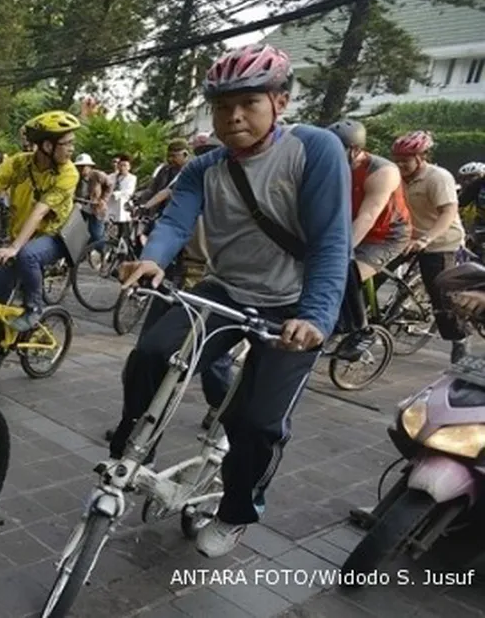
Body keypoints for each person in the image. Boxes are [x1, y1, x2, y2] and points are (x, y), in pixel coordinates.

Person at [115, 43, 351, 558]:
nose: (234, 116)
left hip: (293, 307)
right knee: (152, 354)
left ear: (280, 102)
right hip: (225, 291)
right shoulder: (204, 167)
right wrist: (153, 259)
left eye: (249, 102)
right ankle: (129, 455)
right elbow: (176, 221)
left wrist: (315, 316)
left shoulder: (314, 149)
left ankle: (237, 511)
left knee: (258, 424)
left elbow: (332, 239)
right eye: (223, 106)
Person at [0, 111, 81, 330]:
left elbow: (39, 212)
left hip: (55, 236)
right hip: (21, 236)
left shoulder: (68, 173)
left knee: (27, 255)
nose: (71, 149)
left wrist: (14, 247)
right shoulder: (18, 163)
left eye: (72, 143)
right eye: (67, 143)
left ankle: (34, 308)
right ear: (47, 146)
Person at [393, 131, 470, 363]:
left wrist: (426, 240)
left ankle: (459, 339)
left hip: (442, 242)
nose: (400, 165)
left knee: (441, 296)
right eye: (397, 159)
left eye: (405, 160)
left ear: (421, 157)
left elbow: (448, 213)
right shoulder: (396, 177)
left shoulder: (438, 177)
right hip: (409, 238)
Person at [327, 120, 410, 282]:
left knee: (342, 279)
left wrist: (339, 253)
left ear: (355, 150)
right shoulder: (333, 167)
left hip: (385, 237)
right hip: (348, 228)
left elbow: (367, 217)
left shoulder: (382, 172)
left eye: (336, 151)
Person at [74, 152, 111, 253]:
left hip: (96, 208)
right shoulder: (75, 176)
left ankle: (104, 251)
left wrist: (103, 199)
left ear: (89, 166)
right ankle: (82, 251)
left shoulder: (98, 175)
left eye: (84, 166)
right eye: (79, 166)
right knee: (75, 231)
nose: (81, 169)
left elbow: (109, 185)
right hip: (81, 206)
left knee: (96, 235)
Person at [138, 138, 190, 208]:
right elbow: (152, 188)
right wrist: (139, 199)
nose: (170, 159)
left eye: (173, 156)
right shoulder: (165, 170)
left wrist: (146, 206)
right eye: (168, 156)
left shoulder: (190, 171)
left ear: (185, 155)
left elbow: (168, 191)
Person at [107, 153, 138, 241]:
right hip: (111, 204)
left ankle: (123, 241)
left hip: (124, 206)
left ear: (129, 167)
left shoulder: (132, 178)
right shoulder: (112, 176)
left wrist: (116, 194)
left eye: (125, 165)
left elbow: (129, 192)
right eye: (121, 165)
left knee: (123, 228)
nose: (123, 167)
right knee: (111, 226)